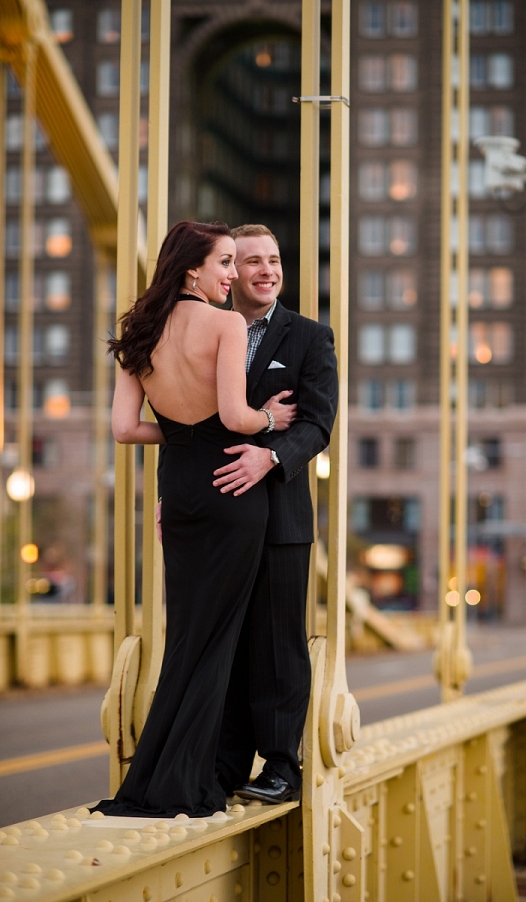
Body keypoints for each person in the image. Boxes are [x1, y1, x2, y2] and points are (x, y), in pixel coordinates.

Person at [92, 220, 295, 817]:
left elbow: (126, 430)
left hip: (179, 492)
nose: (233, 275)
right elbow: (235, 416)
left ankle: (155, 775)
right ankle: (190, 781)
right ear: (192, 270)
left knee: (186, 635)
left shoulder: (140, 330)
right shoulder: (227, 324)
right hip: (232, 487)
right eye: (226, 263)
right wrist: (270, 424)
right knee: (217, 639)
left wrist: (181, 436)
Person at [213, 224, 338, 804]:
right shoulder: (211, 330)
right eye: (252, 261)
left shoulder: (310, 337)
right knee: (227, 640)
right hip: (220, 513)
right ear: (229, 271)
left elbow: (317, 424)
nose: (267, 270)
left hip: (282, 519)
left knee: (279, 644)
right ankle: (226, 763)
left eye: (274, 260)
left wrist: (271, 455)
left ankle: (282, 767)